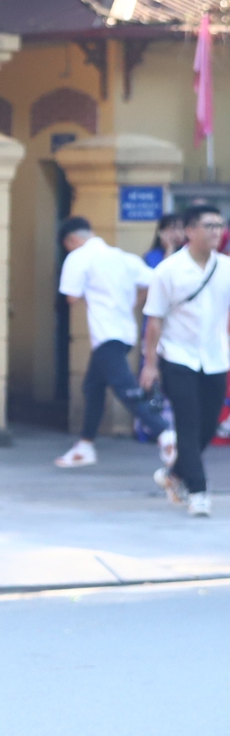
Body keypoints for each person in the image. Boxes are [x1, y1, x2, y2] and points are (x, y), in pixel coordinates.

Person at [139, 204, 230, 517]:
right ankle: (198, 491)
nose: (216, 232)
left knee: (208, 425)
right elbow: (154, 321)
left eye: (219, 226)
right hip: (177, 356)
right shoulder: (169, 270)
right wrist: (150, 364)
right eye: (209, 226)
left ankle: (173, 473)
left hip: (216, 357)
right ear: (189, 231)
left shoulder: (226, 268)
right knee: (188, 424)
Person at [54, 216, 166, 469]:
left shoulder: (79, 258)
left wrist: (89, 294)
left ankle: (165, 433)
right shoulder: (124, 258)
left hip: (106, 334)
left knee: (125, 389)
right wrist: (134, 301)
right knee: (92, 387)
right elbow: (153, 281)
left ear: (72, 240)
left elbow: (70, 296)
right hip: (125, 332)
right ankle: (84, 446)